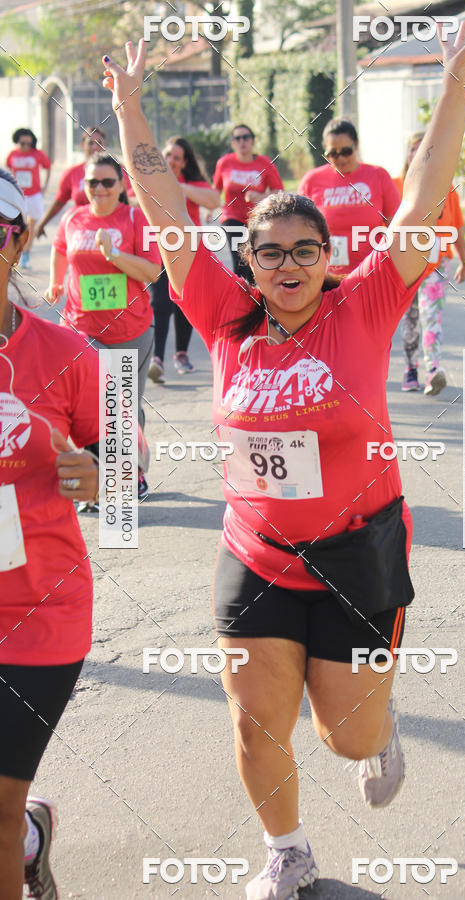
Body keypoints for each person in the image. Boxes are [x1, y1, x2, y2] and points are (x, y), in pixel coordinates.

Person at [103, 25, 465, 899]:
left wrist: (457, 82)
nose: (286, 264)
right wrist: (130, 106)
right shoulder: (223, 314)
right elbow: (164, 210)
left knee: (342, 737)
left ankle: (378, 728)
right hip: (257, 552)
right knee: (254, 722)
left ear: (328, 259)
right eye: (269, 250)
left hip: (357, 551)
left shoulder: (366, 305)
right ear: (248, 258)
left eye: (304, 250)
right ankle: (287, 850)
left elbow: (422, 198)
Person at [0, 169, 100, 900]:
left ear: (22, 238)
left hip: (39, 612)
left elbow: (128, 459)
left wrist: (98, 474)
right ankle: (31, 836)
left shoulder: (66, 353)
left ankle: (19, 831)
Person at [45, 152, 161, 500]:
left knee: (124, 406)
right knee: (94, 406)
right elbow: (60, 248)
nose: (99, 188)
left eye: (107, 182)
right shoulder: (74, 218)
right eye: (92, 181)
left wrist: (115, 257)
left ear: (121, 185)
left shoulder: (135, 219)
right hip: (81, 330)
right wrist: (56, 282)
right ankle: (99, 480)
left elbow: (153, 272)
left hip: (130, 331)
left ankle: (133, 472)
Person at [394, 131, 465, 396]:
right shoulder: (397, 186)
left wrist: (464, 259)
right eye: (413, 148)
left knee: (431, 317)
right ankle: (410, 369)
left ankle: (433, 371)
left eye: (424, 149)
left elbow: (457, 228)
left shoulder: (447, 190)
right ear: (407, 154)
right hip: (404, 265)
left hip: (436, 266)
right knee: (411, 319)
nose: (418, 153)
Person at [147, 136, 220, 384]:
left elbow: (213, 200)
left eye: (176, 158)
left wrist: (179, 187)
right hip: (159, 250)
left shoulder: (193, 183)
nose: (171, 161)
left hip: (189, 252)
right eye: (168, 155)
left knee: (184, 304)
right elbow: (132, 200)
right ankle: (157, 359)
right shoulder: (152, 180)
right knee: (160, 304)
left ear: (184, 161)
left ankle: (181, 353)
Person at [297, 118, 400, 275]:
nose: (341, 158)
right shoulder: (312, 180)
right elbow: (298, 226)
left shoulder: (378, 175)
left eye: (346, 151)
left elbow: (396, 223)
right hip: (327, 275)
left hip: (372, 272)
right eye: (333, 153)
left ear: (356, 145)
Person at [213, 124, 284, 281]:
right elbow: (215, 191)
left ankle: (258, 295)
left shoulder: (264, 163)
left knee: (257, 259)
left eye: (246, 137)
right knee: (241, 261)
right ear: (233, 143)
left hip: (258, 220)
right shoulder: (224, 163)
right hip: (231, 218)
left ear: (253, 141)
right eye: (237, 138)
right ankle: (242, 297)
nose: (242, 141)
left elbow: (279, 192)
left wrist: (260, 196)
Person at [5, 129, 51, 269]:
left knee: (31, 226)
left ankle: (26, 253)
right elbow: (8, 169)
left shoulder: (37, 154)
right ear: (17, 141)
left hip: (34, 195)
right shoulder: (12, 154)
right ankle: (14, 253)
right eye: (22, 143)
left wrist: (45, 185)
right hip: (18, 195)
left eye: (28, 143)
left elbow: (48, 167)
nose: (25, 146)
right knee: (17, 226)